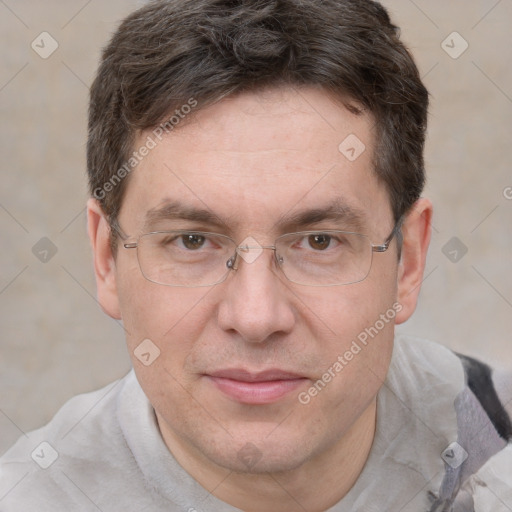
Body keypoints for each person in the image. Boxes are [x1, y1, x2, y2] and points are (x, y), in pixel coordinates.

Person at [1, 0, 511, 510]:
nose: (255, 317)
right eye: (192, 241)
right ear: (107, 259)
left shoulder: (493, 434)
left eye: (319, 241)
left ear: (410, 262)